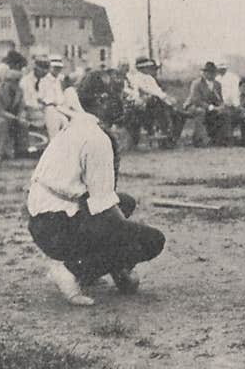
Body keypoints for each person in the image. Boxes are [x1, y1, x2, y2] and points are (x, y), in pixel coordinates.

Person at [27, 71, 165, 305]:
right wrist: (124, 261)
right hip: (56, 226)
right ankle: (72, 272)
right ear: (101, 101)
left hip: (43, 220)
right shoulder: (96, 138)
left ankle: (90, 265)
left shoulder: (78, 124)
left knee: (126, 202)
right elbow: (104, 208)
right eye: (119, 95)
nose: (125, 101)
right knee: (151, 240)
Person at [123, 57, 185, 148]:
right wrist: (168, 100)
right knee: (157, 102)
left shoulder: (149, 78)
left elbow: (159, 92)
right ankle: (163, 132)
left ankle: (170, 139)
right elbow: (152, 92)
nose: (151, 70)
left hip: (153, 104)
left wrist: (170, 101)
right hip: (142, 107)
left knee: (178, 115)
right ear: (142, 68)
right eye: (149, 67)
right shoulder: (137, 78)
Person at [184, 61, 229, 146]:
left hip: (210, 107)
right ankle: (200, 140)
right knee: (201, 112)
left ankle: (220, 139)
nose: (212, 75)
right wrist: (212, 108)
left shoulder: (217, 84)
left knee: (224, 113)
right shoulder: (196, 83)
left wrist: (221, 106)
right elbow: (196, 99)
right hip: (194, 106)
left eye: (213, 72)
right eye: (209, 72)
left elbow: (220, 99)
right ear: (204, 73)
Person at [0, 69, 30, 161]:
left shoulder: (20, 91)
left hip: (13, 116)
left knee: (23, 124)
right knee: (2, 123)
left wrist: (21, 117)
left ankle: (21, 150)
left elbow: (21, 106)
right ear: (7, 81)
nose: (16, 84)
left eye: (18, 81)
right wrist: (15, 118)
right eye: (13, 81)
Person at [39, 55, 68, 139]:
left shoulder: (61, 80)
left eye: (59, 68)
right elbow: (41, 97)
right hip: (50, 108)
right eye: (55, 68)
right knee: (54, 132)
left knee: (67, 126)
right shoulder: (44, 80)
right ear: (50, 67)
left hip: (62, 108)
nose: (57, 70)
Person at [19, 58, 50, 129]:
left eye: (46, 71)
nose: (45, 73)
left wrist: (44, 102)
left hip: (42, 111)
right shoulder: (25, 81)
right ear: (36, 69)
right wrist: (40, 105)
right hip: (29, 111)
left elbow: (47, 97)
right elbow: (26, 101)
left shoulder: (45, 80)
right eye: (42, 70)